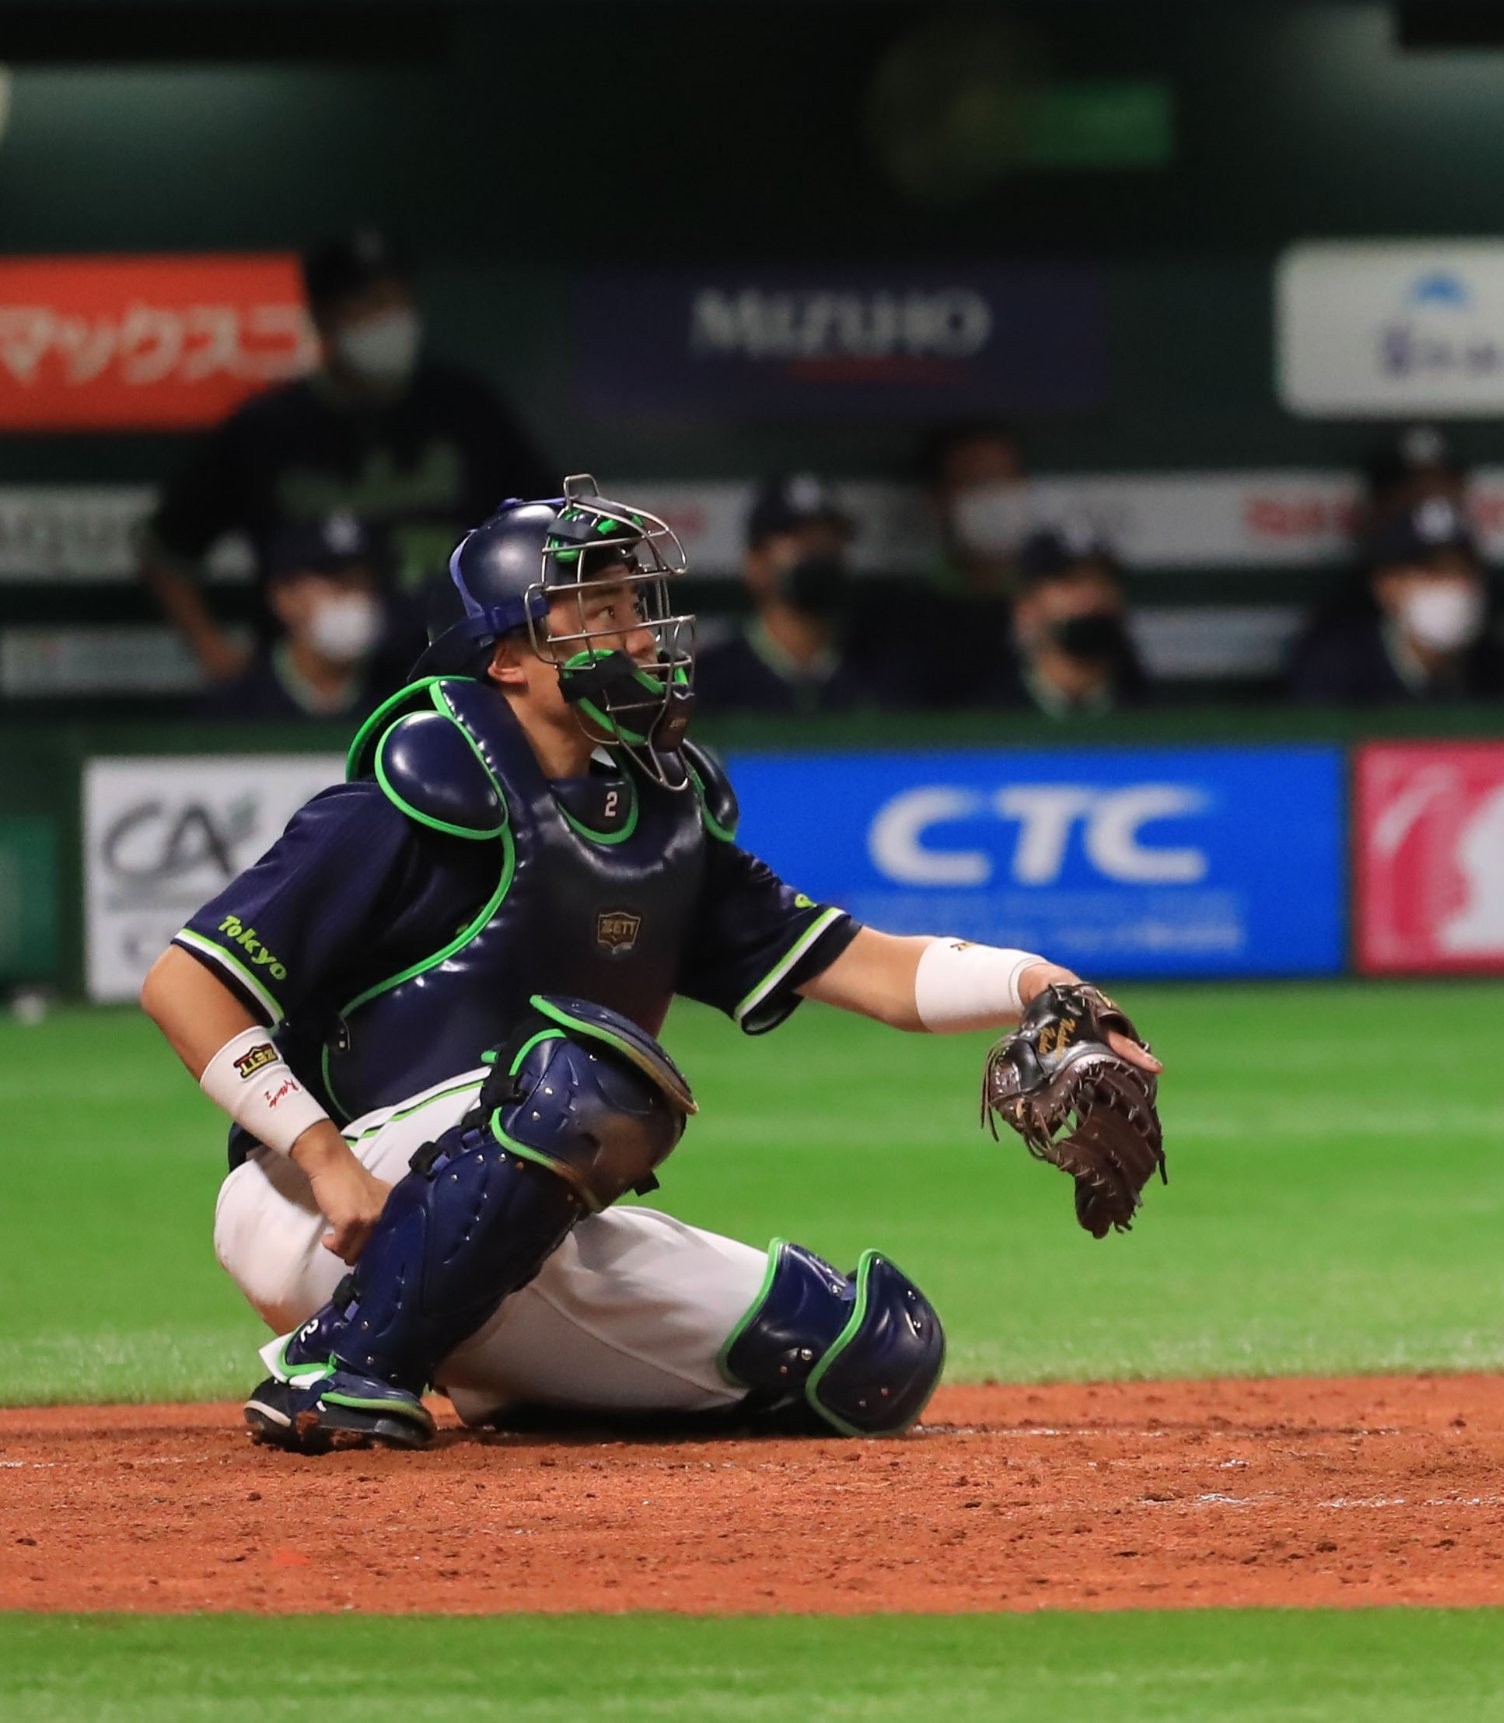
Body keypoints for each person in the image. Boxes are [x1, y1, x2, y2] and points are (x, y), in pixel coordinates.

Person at [135, 480, 1158, 1452]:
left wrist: (1043, 987)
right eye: (595, 609)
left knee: (867, 1355)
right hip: (320, 1207)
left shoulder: (660, 816)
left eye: (635, 602)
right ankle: (341, 1364)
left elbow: (875, 969)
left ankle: (484, 1363)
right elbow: (183, 983)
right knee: (590, 1081)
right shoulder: (418, 795)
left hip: (503, 1234)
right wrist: (322, 1160)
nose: (636, 634)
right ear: (507, 660)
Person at [140, 230, 554, 691]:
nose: (390, 320)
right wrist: (214, 652)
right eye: (370, 304)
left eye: (399, 303)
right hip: (312, 700)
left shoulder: (468, 409)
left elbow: (547, 530)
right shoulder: (267, 429)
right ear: (323, 318)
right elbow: (165, 548)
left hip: (459, 680)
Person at [1290, 431, 1504, 706]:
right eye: (1432, 573)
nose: (1451, 585)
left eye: (1460, 571)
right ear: (1387, 586)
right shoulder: (1340, 641)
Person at [689, 473, 901, 717]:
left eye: (830, 539)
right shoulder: (711, 680)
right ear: (755, 564)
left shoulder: (886, 671)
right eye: (801, 540)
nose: (819, 552)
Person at [194, 512, 399, 729]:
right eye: (339, 585)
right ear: (283, 597)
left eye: (366, 584)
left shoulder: (403, 697)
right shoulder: (234, 707)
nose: (357, 599)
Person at [889, 420, 1036, 704]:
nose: (996, 496)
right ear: (938, 500)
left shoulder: (1055, 604)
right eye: (978, 481)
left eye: (1007, 477)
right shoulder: (907, 621)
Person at [943, 529, 1154, 719]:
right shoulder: (982, 723)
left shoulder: (1157, 717)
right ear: (1026, 609)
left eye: (1102, 581)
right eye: (1071, 582)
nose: (1092, 596)